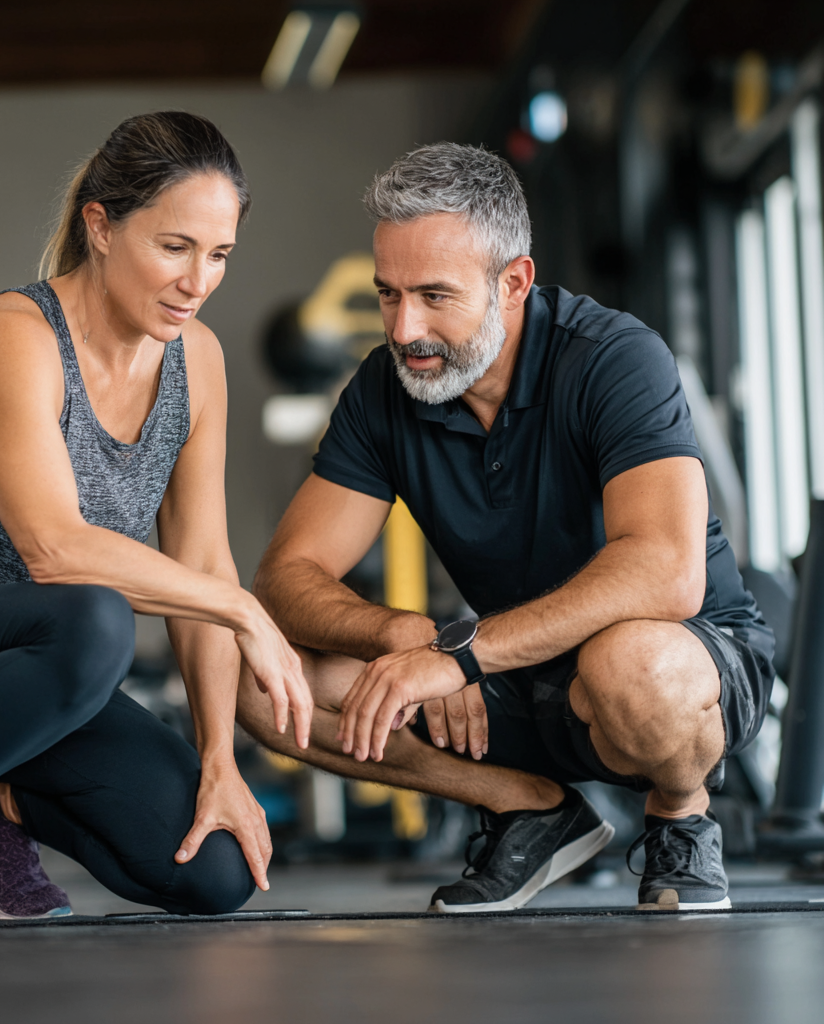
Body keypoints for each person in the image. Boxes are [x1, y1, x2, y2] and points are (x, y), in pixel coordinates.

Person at [0, 111, 312, 928]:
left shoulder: (198, 363)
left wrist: (221, 758)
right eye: (174, 247)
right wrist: (247, 609)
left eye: (218, 254)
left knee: (215, 873)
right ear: (101, 227)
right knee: (95, 617)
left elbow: (205, 567)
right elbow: (54, 549)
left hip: (42, 680)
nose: (198, 281)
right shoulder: (11, 334)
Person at [238, 142, 774, 913]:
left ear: (513, 282)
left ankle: (680, 818)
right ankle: (529, 807)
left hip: (683, 660)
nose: (405, 327)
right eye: (389, 294)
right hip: (510, 671)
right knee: (255, 672)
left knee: (633, 661)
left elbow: (666, 571)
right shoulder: (383, 392)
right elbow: (286, 575)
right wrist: (406, 637)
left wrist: (460, 656)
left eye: (434, 295)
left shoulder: (613, 358)